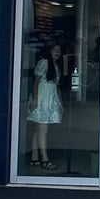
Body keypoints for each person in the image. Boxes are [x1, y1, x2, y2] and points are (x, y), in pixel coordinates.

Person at [27, 43, 64, 171]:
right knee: (43, 129)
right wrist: (35, 99)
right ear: (49, 50)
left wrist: (60, 102)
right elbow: (36, 81)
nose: (57, 52)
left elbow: (57, 86)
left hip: (49, 100)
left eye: (59, 50)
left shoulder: (55, 66)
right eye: (54, 50)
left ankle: (34, 157)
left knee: (39, 129)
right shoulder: (44, 63)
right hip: (42, 99)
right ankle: (45, 159)